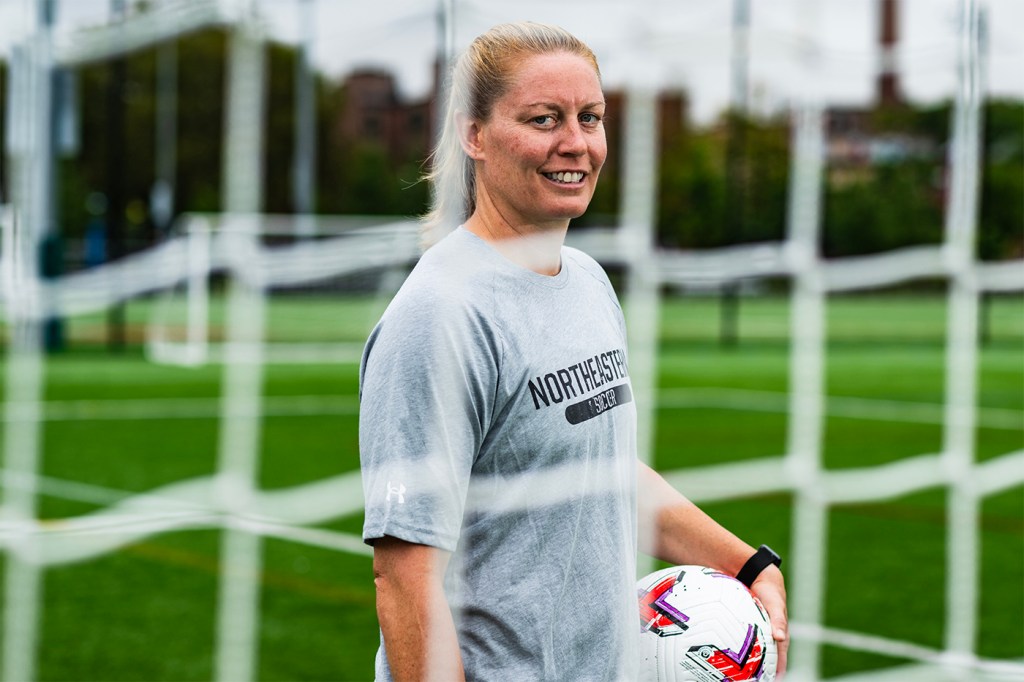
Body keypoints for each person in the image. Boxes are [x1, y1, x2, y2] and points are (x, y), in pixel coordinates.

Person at [359, 21, 788, 681]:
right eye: (543, 118)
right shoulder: (440, 315)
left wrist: (748, 565)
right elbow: (404, 578)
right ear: (474, 135)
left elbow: (607, 471)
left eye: (591, 117)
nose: (575, 143)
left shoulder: (587, 281)